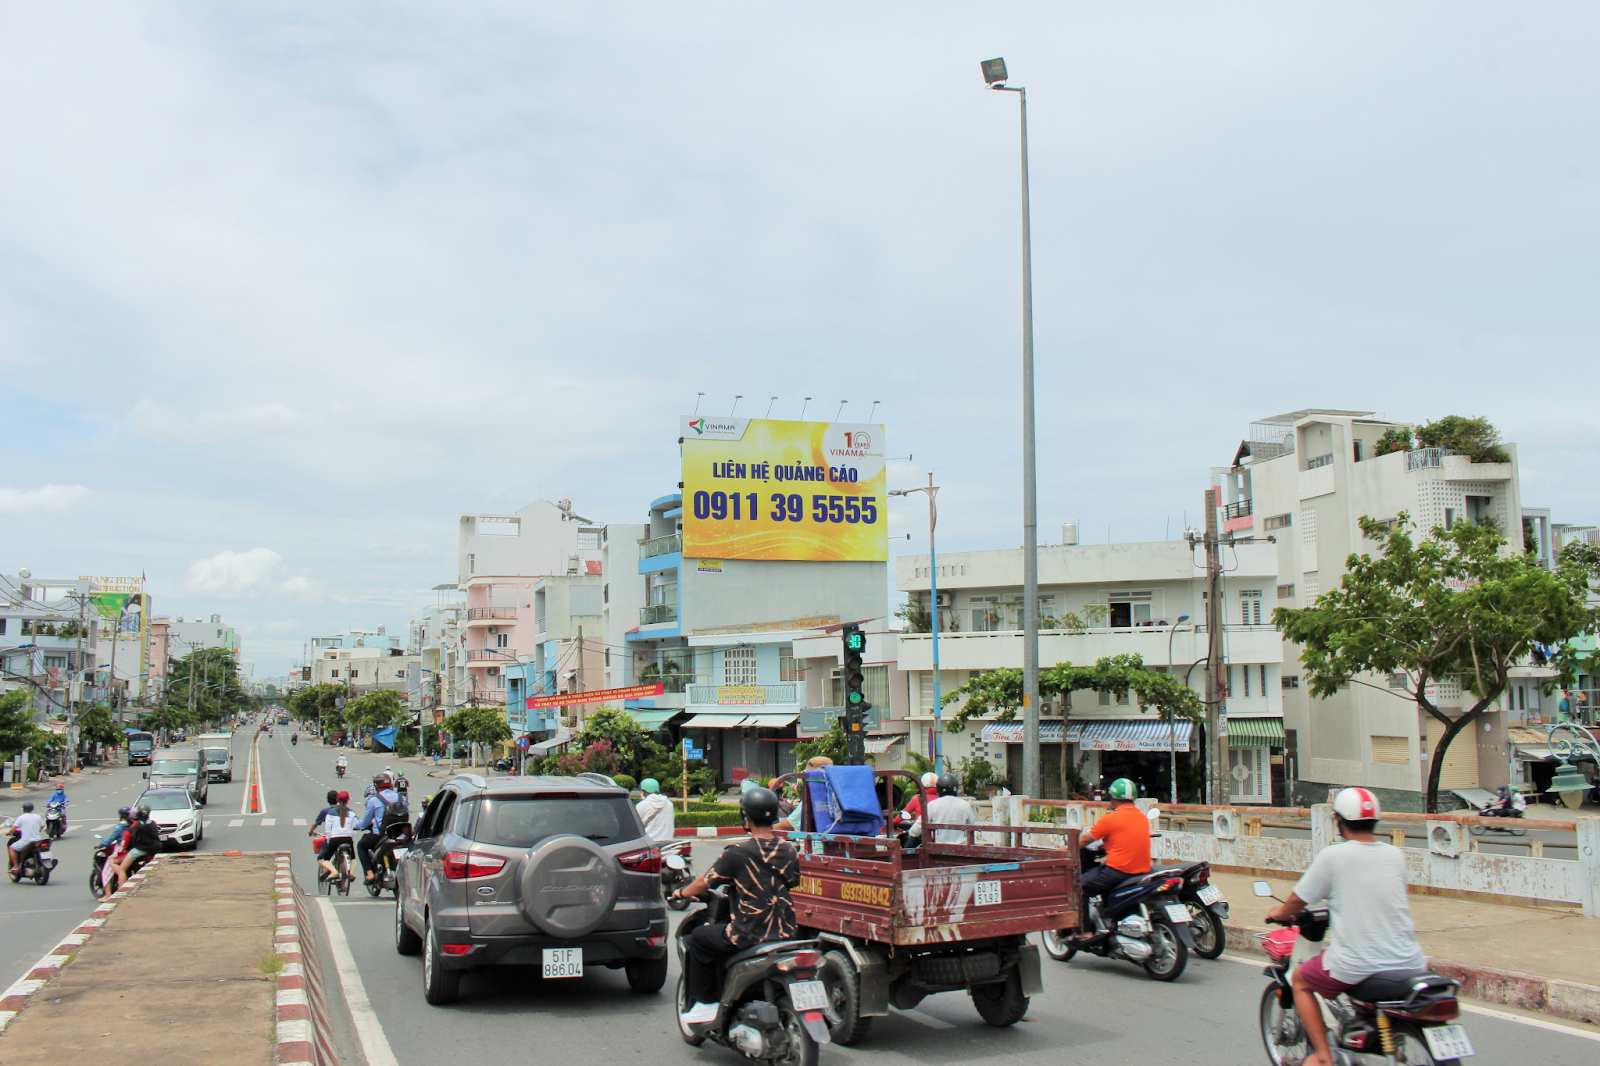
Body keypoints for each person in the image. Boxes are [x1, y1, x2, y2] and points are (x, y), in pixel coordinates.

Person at [1266, 787, 1426, 1066]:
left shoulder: (1334, 857)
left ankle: (1323, 1056)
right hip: (1410, 961)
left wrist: (1278, 913)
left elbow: (1297, 901)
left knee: (1301, 980)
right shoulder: (1394, 855)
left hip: (1358, 963)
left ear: (1339, 821)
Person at [673, 787, 799, 1026]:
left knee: (696, 938)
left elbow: (704, 882)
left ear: (746, 818)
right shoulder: (789, 850)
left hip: (748, 932)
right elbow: (792, 881)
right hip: (786, 932)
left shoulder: (737, 853)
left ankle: (705, 1004)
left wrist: (681, 892)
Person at [1074, 778, 1151, 933]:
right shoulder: (1142, 817)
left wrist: (1066, 848)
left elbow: (1084, 840)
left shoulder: (1111, 819)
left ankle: (1083, 932)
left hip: (1118, 871)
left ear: (1113, 799)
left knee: (1077, 887)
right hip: (1143, 870)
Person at [357, 773, 406, 883]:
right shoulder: (401, 798)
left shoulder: (374, 800)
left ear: (376, 786)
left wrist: (357, 826)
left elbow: (365, 822)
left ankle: (369, 873)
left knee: (361, 846)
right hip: (400, 835)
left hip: (381, 835)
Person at [907, 772, 976, 845]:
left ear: (938, 788)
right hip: (961, 849)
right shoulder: (965, 805)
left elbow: (917, 827)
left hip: (938, 849)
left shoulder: (932, 805)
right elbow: (972, 825)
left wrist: (911, 833)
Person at [108, 806, 162, 893]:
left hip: (139, 850)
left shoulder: (132, 828)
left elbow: (124, 845)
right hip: (154, 850)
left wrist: (117, 854)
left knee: (122, 869)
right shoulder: (152, 824)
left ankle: (122, 890)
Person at [317, 792, 362, 882]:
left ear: (337, 800)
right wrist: (350, 838)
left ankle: (334, 871)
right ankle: (351, 872)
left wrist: (329, 840)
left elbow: (328, 830)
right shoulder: (352, 813)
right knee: (353, 858)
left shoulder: (331, 812)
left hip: (334, 839)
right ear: (348, 801)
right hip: (348, 839)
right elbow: (355, 828)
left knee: (325, 859)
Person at [7, 800, 45, 876]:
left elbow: (13, 828)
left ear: (23, 809)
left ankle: (16, 866)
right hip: (37, 841)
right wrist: (38, 830)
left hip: (26, 841)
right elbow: (42, 827)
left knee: (12, 848)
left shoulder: (21, 817)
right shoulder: (38, 816)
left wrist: (9, 832)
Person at [636, 778, 675, 843]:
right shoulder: (669, 803)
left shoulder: (642, 805)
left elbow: (636, 824)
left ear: (643, 791)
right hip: (668, 841)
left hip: (649, 842)